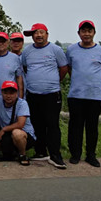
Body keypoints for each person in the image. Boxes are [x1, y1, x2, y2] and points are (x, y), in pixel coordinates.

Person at [21, 23, 69, 169]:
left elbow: (64, 68)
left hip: (51, 94)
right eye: (35, 33)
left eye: (41, 32)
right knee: (37, 124)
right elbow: (25, 68)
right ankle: (41, 152)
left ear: (47, 34)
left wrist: (52, 81)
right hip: (33, 94)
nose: (38, 35)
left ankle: (55, 155)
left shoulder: (55, 50)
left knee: (52, 125)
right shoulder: (27, 51)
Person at [66, 20, 101, 167]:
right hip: (76, 95)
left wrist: (96, 85)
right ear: (79, 33)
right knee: (75, 127)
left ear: (94, 33)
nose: (86, 34)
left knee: (92, 127)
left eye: (89, 31)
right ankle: (75, 154)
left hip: (94, 96)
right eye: (83, 31)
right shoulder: (71, 50)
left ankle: (91, 155)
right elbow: (69, 68)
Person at [0, 81, 35, 165]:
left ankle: (22, 154)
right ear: (1, 92)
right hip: (7, 135)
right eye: (5, 93)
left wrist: (4, 129)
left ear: (16, 93)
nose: (8, 96)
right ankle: (10, 153)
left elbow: (20, 124)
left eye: (11, 93)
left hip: (24, 134)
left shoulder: (22, 103)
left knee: (17, 133)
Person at [0, 32, 25, 100]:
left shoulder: (15, 58)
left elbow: (19, 78)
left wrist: (20, 98)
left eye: (3, 41)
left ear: (8, 43)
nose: (0, 43)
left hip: (11, 99)